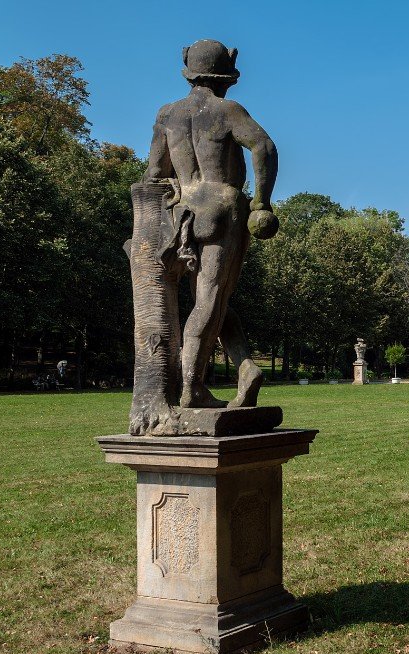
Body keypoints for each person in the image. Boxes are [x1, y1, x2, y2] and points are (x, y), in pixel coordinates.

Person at [144, 39, 278, 409]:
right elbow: (264, 147)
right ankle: (191, 388)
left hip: (183, 213)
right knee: (210, 300)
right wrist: (262, 202)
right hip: (222, 208)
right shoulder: (227, 110)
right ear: (226, 76)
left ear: (190, 73)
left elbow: (155, 174)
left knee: (213, 300)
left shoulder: (167, 115)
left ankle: (245, 365)